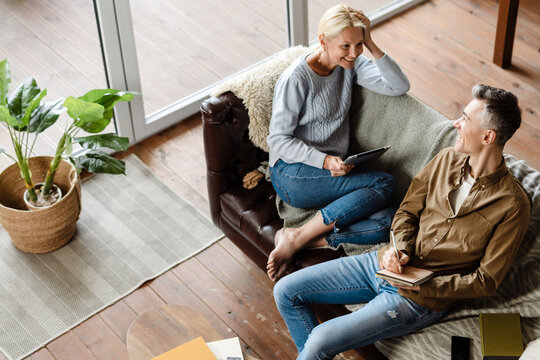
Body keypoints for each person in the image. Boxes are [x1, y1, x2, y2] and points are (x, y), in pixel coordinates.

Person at [273, 84, 531, 359]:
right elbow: (407, 211)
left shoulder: (512, 205)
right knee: (286, 291)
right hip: (386, 263)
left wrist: (426, 286)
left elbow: (486, 280)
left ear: (488, 136)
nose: (455, 123)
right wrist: (400, 250)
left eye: (465, 120)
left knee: (320, 340)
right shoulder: (445, 159)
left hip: (419, 298)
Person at [266, 4, 410, 282]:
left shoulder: (350, 66)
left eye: (358, 45)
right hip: (291, 172)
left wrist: (370, 41)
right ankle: (296, 235)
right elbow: (279, 140)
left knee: (388, 220)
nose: (354, 53)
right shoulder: (297, 79)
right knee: (383, 184)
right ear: (323, 40)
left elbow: (398, 86)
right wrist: (323, 160)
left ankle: (304, 240)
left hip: (332, 171)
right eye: (345, 45)